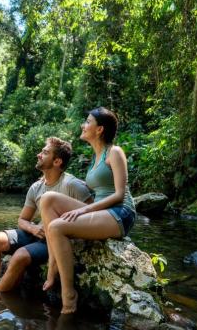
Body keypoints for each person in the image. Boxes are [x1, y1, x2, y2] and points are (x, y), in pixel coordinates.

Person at [0, 137, 92, 304]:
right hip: (37, 233)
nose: (38, 154)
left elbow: (93, 214)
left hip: (56, 240)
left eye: (45, 152)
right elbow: (22, 220)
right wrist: (33, 229)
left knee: (20, 255)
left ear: (57, 161)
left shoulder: (73, 185)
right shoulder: (36, 187)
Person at [40, 107, 136, 314]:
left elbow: (119, 194)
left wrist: (83, 211)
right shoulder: (95, 157)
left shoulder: (115, 152)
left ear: (99, 129)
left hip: (120, 212)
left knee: (57, 227)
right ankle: (52, 266)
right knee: (47, 199)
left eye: (87, 121)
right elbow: (96, 188)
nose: (83, 125)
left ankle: (69, 296)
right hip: (101, 210)